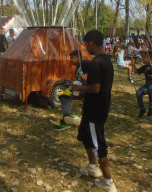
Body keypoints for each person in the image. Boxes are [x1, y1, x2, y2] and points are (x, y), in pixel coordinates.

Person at [72, 29, 116, 192]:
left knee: (99, 145)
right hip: (95, 107)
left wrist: (78, 87)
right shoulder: (106, 60)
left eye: (85, 45)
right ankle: (92, 167)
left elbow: (96, 88)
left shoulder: (96, 62)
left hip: (95, 110)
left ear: (91, 43)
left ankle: (108, 182)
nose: (85, 48)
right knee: (84, 134)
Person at [53, 50, 90, 131]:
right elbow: (80, 80)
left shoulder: (84, 63)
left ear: (79, 57)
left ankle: (68, 118)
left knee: (64, 95)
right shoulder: (77, 67)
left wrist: (88, 74)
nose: (71, 60)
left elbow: (95, 69)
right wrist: (71, 83)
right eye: (70, 58)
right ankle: (69, 117)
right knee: (63, 95)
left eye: (72, 58)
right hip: (80, 88)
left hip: (87, 89)